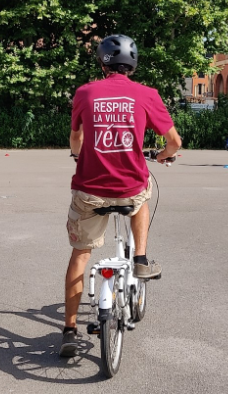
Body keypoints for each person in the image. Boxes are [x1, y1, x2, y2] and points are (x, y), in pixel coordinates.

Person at [60, 34, 182, 357]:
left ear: (102, 63)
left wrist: (78, 154)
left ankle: (69, 330)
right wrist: (161, 156)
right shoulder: (146, 94)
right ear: (133, 64)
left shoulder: (85, 93)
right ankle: (140, 258)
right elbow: (175, 142)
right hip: (128, 188)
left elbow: (76, 138)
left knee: (80, 256)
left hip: (89, 191)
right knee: (143, 193)